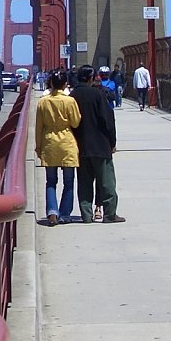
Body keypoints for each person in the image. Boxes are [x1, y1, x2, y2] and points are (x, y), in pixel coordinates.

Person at [71, 64, 126, 224]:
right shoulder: (97, 94)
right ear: (90, 78)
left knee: (84, 182)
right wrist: (112, 141)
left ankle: (86, 215)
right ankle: (109, 214)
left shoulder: (73, 95)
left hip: (80, 145)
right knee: (107, 182)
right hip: (101, 145)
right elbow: (107, 120)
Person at [35, 68, 81, 226]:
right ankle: (65, 214)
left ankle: (52, 212)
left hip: (49, 142)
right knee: (68, 182)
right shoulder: (70, 101)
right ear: (65, 85)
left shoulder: (43, 102)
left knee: (51, 181)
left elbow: (38, 127)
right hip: (67, 142)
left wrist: (38, 147)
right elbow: (75, 122)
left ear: (51, 84)